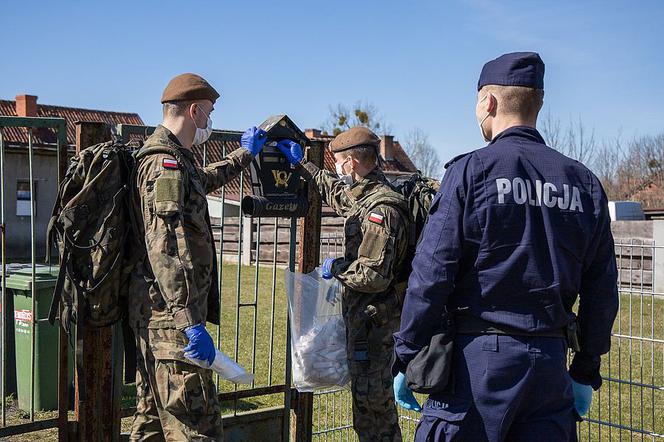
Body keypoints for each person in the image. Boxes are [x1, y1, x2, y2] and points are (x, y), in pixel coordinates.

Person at [392, 52, 619, 441]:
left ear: (488, 102)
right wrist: (585, 368)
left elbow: (432, 273)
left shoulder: (470, 172)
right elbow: (602, 288)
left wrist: (407, 353)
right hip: (549, 366)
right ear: (539, 103)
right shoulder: (582, 182)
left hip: (475, 368)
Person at [128, 73, 267, 441]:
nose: (209, 122)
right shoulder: (164, 164)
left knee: (153, 425)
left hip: (160, 316)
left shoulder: (177, 159)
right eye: (209, 113)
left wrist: (244, 155)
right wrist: (189, 319)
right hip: (172, 322)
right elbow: (165, 245)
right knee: (197, 428)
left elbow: (202, 182)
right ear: (194, 110)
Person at [278, 127, 410, 442]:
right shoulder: (366, 194)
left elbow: (372, 275)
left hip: (375, 328)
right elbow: (338, 195)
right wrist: (305, 166)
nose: (338, 169)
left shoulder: (382, 210)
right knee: (367, 411)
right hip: (364, 324)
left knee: (374, 413)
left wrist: (336, 267)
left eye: (338, 162)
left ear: (350, 162)